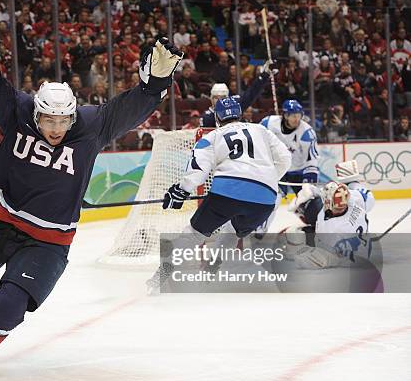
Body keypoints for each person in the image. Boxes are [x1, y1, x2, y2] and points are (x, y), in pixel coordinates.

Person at [0, 16, 182, 379]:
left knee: (10, 305)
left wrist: (155, 85)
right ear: (37, 113)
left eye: (62, 121)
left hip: (48, 241)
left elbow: (132, 106)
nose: (55, 129)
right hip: (0, 221)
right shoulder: (21, 113)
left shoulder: (91, 125)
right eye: (48, 121)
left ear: (72, 117)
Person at [148, 97, 291, 293]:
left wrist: (180, 191)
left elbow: (198, 170)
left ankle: (160, 278)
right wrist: (267, 179)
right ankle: (211, 269)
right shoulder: (261, 130)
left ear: (217, 117)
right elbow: (285, 158)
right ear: (240, 114)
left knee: (193, 235)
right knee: (232, 231)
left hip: (228, 192)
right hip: (265, 199)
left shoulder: (212, 137)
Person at [285, 160, 375, 269]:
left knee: (297, 243)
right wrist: (352, 181)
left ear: (328, 202)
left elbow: (320, 242)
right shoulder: (355, 199)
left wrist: (300, 240)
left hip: (345, 258)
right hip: (361, 248)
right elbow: (367, 197)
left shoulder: (332, 228)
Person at [256, 99, 319, 233]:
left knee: (309, 203)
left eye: (299, 115)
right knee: (273, 199)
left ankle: (317, 226)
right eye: (293, 115)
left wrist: (309, 182)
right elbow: (256, 139)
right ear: (285, 115)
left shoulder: (307, 133)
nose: (297, 119)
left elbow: (312, 160)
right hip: (279, 169)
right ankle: (260, 230)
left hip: (300, 172)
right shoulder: (268, 123)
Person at [200, 60, 276, 128]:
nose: (219, 101)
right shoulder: (207, 117)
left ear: (228, 98)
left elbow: (252, 92)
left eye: (222, 97)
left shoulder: (235, 106)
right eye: (216, 97)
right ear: (211, 99)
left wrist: (264, 75)